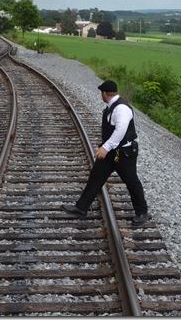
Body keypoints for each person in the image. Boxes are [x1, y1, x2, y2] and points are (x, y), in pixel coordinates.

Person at [62, 80, 150, 225]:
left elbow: (120, 131)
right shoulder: (112, 107)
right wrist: (106, 147)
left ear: (105, 93)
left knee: (131, 181)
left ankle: (142, 213)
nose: (100, 96)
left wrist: (105, 147)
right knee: (96, 176)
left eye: (101, 93)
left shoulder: (121, 108)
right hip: (112, 151)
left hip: (124, 153)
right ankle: (81, 207)